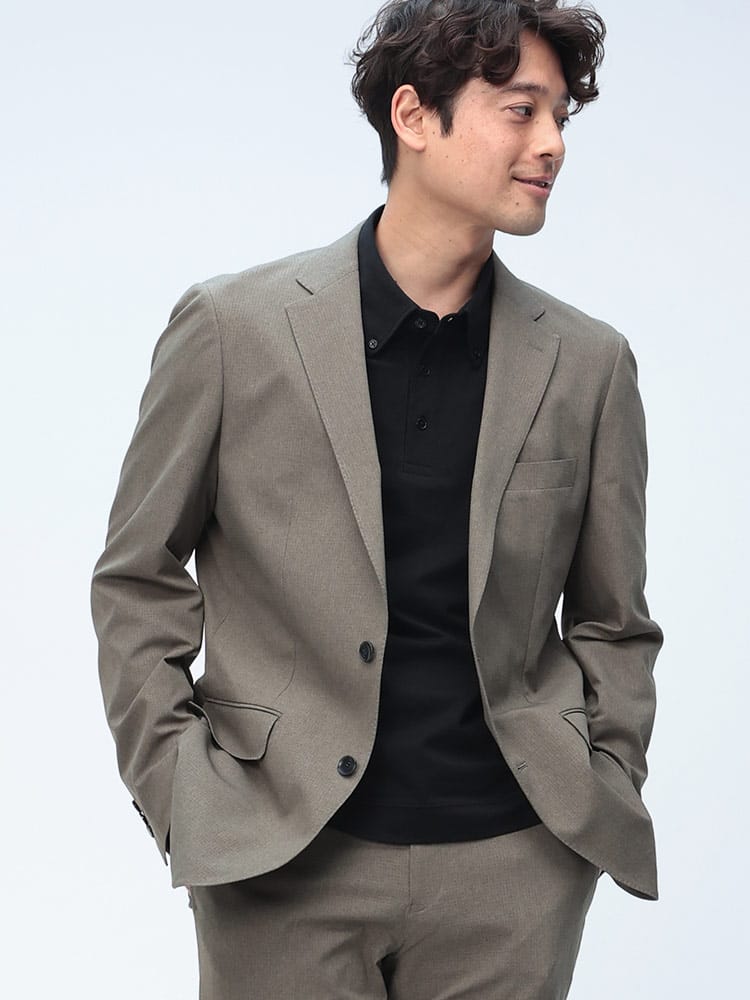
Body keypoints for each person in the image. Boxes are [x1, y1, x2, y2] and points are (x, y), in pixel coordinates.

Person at [90, 1, 664, 997]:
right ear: (413, 116)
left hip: (512, 874)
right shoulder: (234, 330)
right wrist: (185, 795)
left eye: (560, 116)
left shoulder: (588, 364)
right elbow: (136, 577)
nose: (553, 144)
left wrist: (600, 783)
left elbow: (614, 620)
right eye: (521, 110)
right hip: (279, 863)